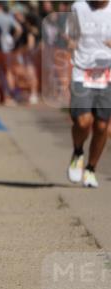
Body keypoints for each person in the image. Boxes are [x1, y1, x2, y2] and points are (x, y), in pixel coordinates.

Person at [66, 0, 111, 188]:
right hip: (81, 71)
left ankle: (91, 169)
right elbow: (71, 40)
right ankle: (78, 152)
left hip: (107, 74)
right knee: (83, 121)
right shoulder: (78, 7)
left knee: (102, 127)